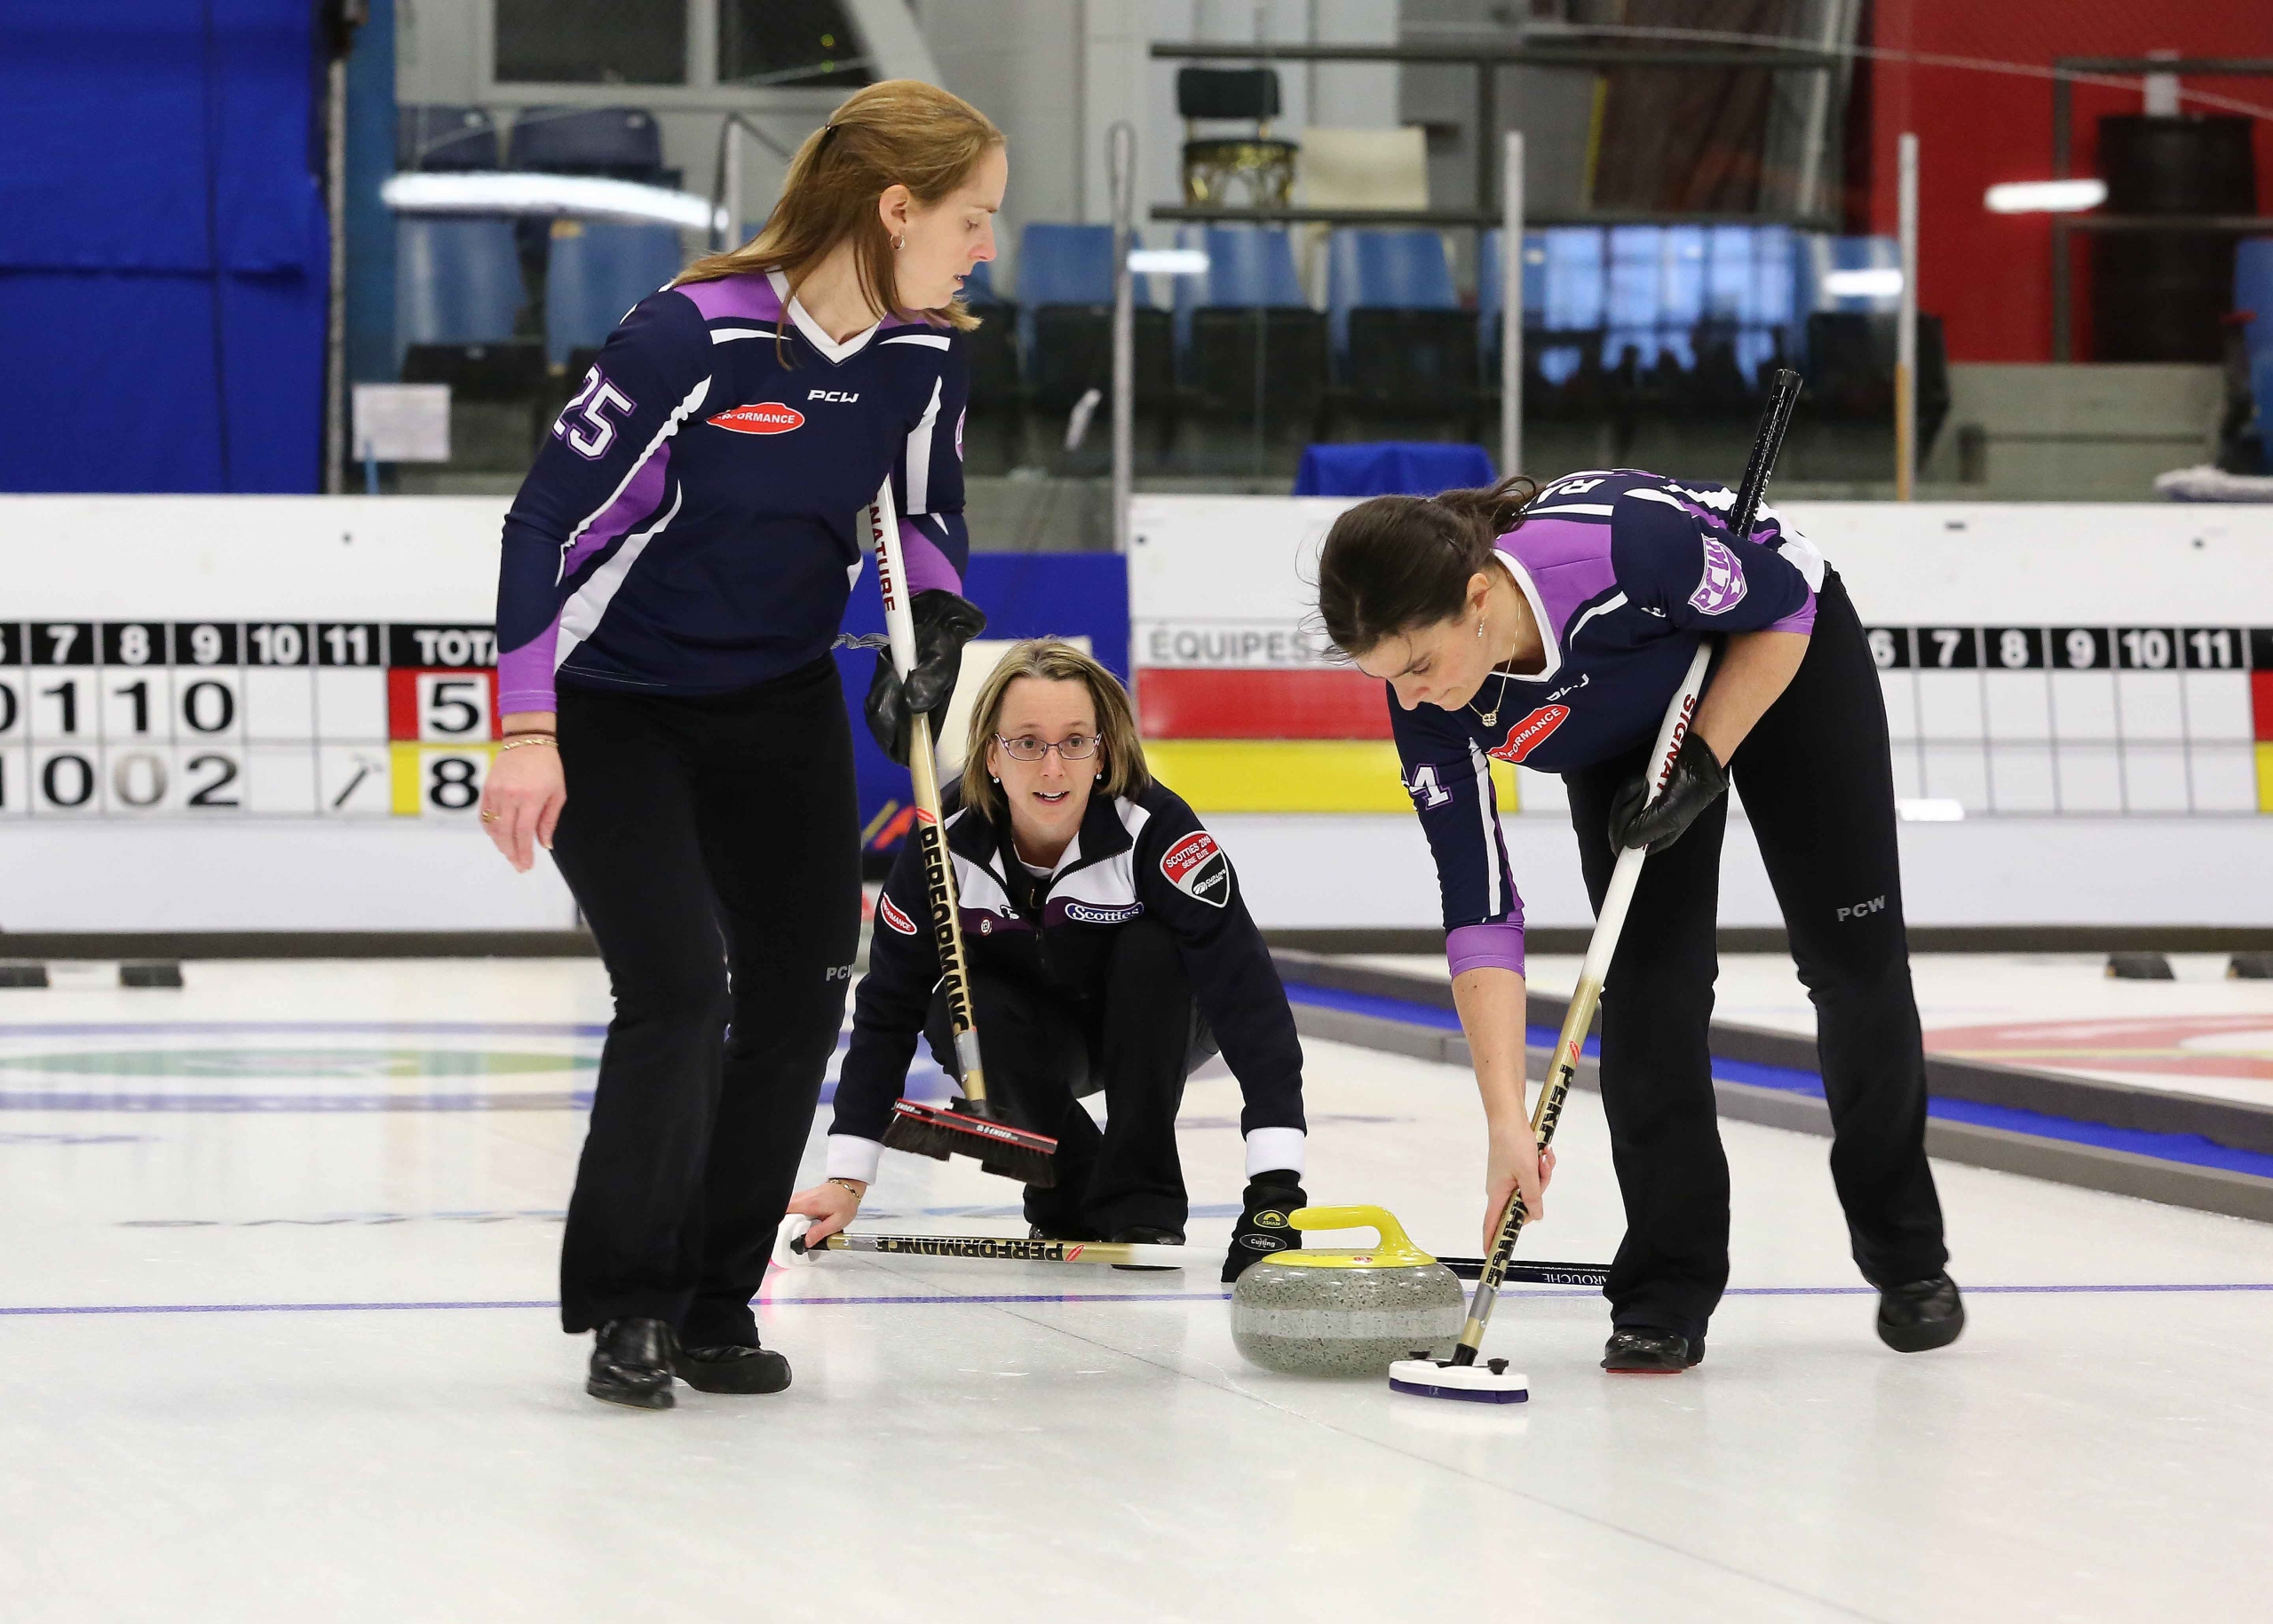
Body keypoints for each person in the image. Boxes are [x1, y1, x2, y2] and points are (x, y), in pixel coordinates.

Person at [477, 81, 1006, 1410]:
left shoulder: (921, 352)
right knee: (679, 987)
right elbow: (541, 525)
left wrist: (935, 627)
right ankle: (628, 1304)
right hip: (611, 703)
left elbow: (923, 506)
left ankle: (719, 1298)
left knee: (798, 986)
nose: (986, 244)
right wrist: (525, 728)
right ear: (896, 209)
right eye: (972, 216)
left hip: (771, 700)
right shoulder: (689, 339)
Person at [1315, 468, 1963, 1374]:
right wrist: (1506, 1120)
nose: (1413, 698)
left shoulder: (1621, 551)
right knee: (1649, 993)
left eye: (1419, 666)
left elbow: (1780, 610)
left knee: (1851, 966)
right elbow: (1480, 905)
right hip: (1620, 720)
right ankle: (1664, 1288)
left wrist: (1702, 757)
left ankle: (1906, 1257)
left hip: (1774, 652)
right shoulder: (1429, 701)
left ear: (1475, 598)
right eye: (1387, 678)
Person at [789, 639, 1311, 1280]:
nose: (1052, 767)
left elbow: (1249, 1002)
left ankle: (1141, 1198)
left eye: (1074, 741)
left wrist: (1275, 1190)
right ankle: (1070, 1182)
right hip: (1037, 1038)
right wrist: (849, 1177)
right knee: (958, 999)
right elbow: (887, 1010)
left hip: (1160, 1022)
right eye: (1028, 742)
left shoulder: (1157, 831)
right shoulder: (941, 845)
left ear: (1103, 752)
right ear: (992, 755)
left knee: (1152, 949)